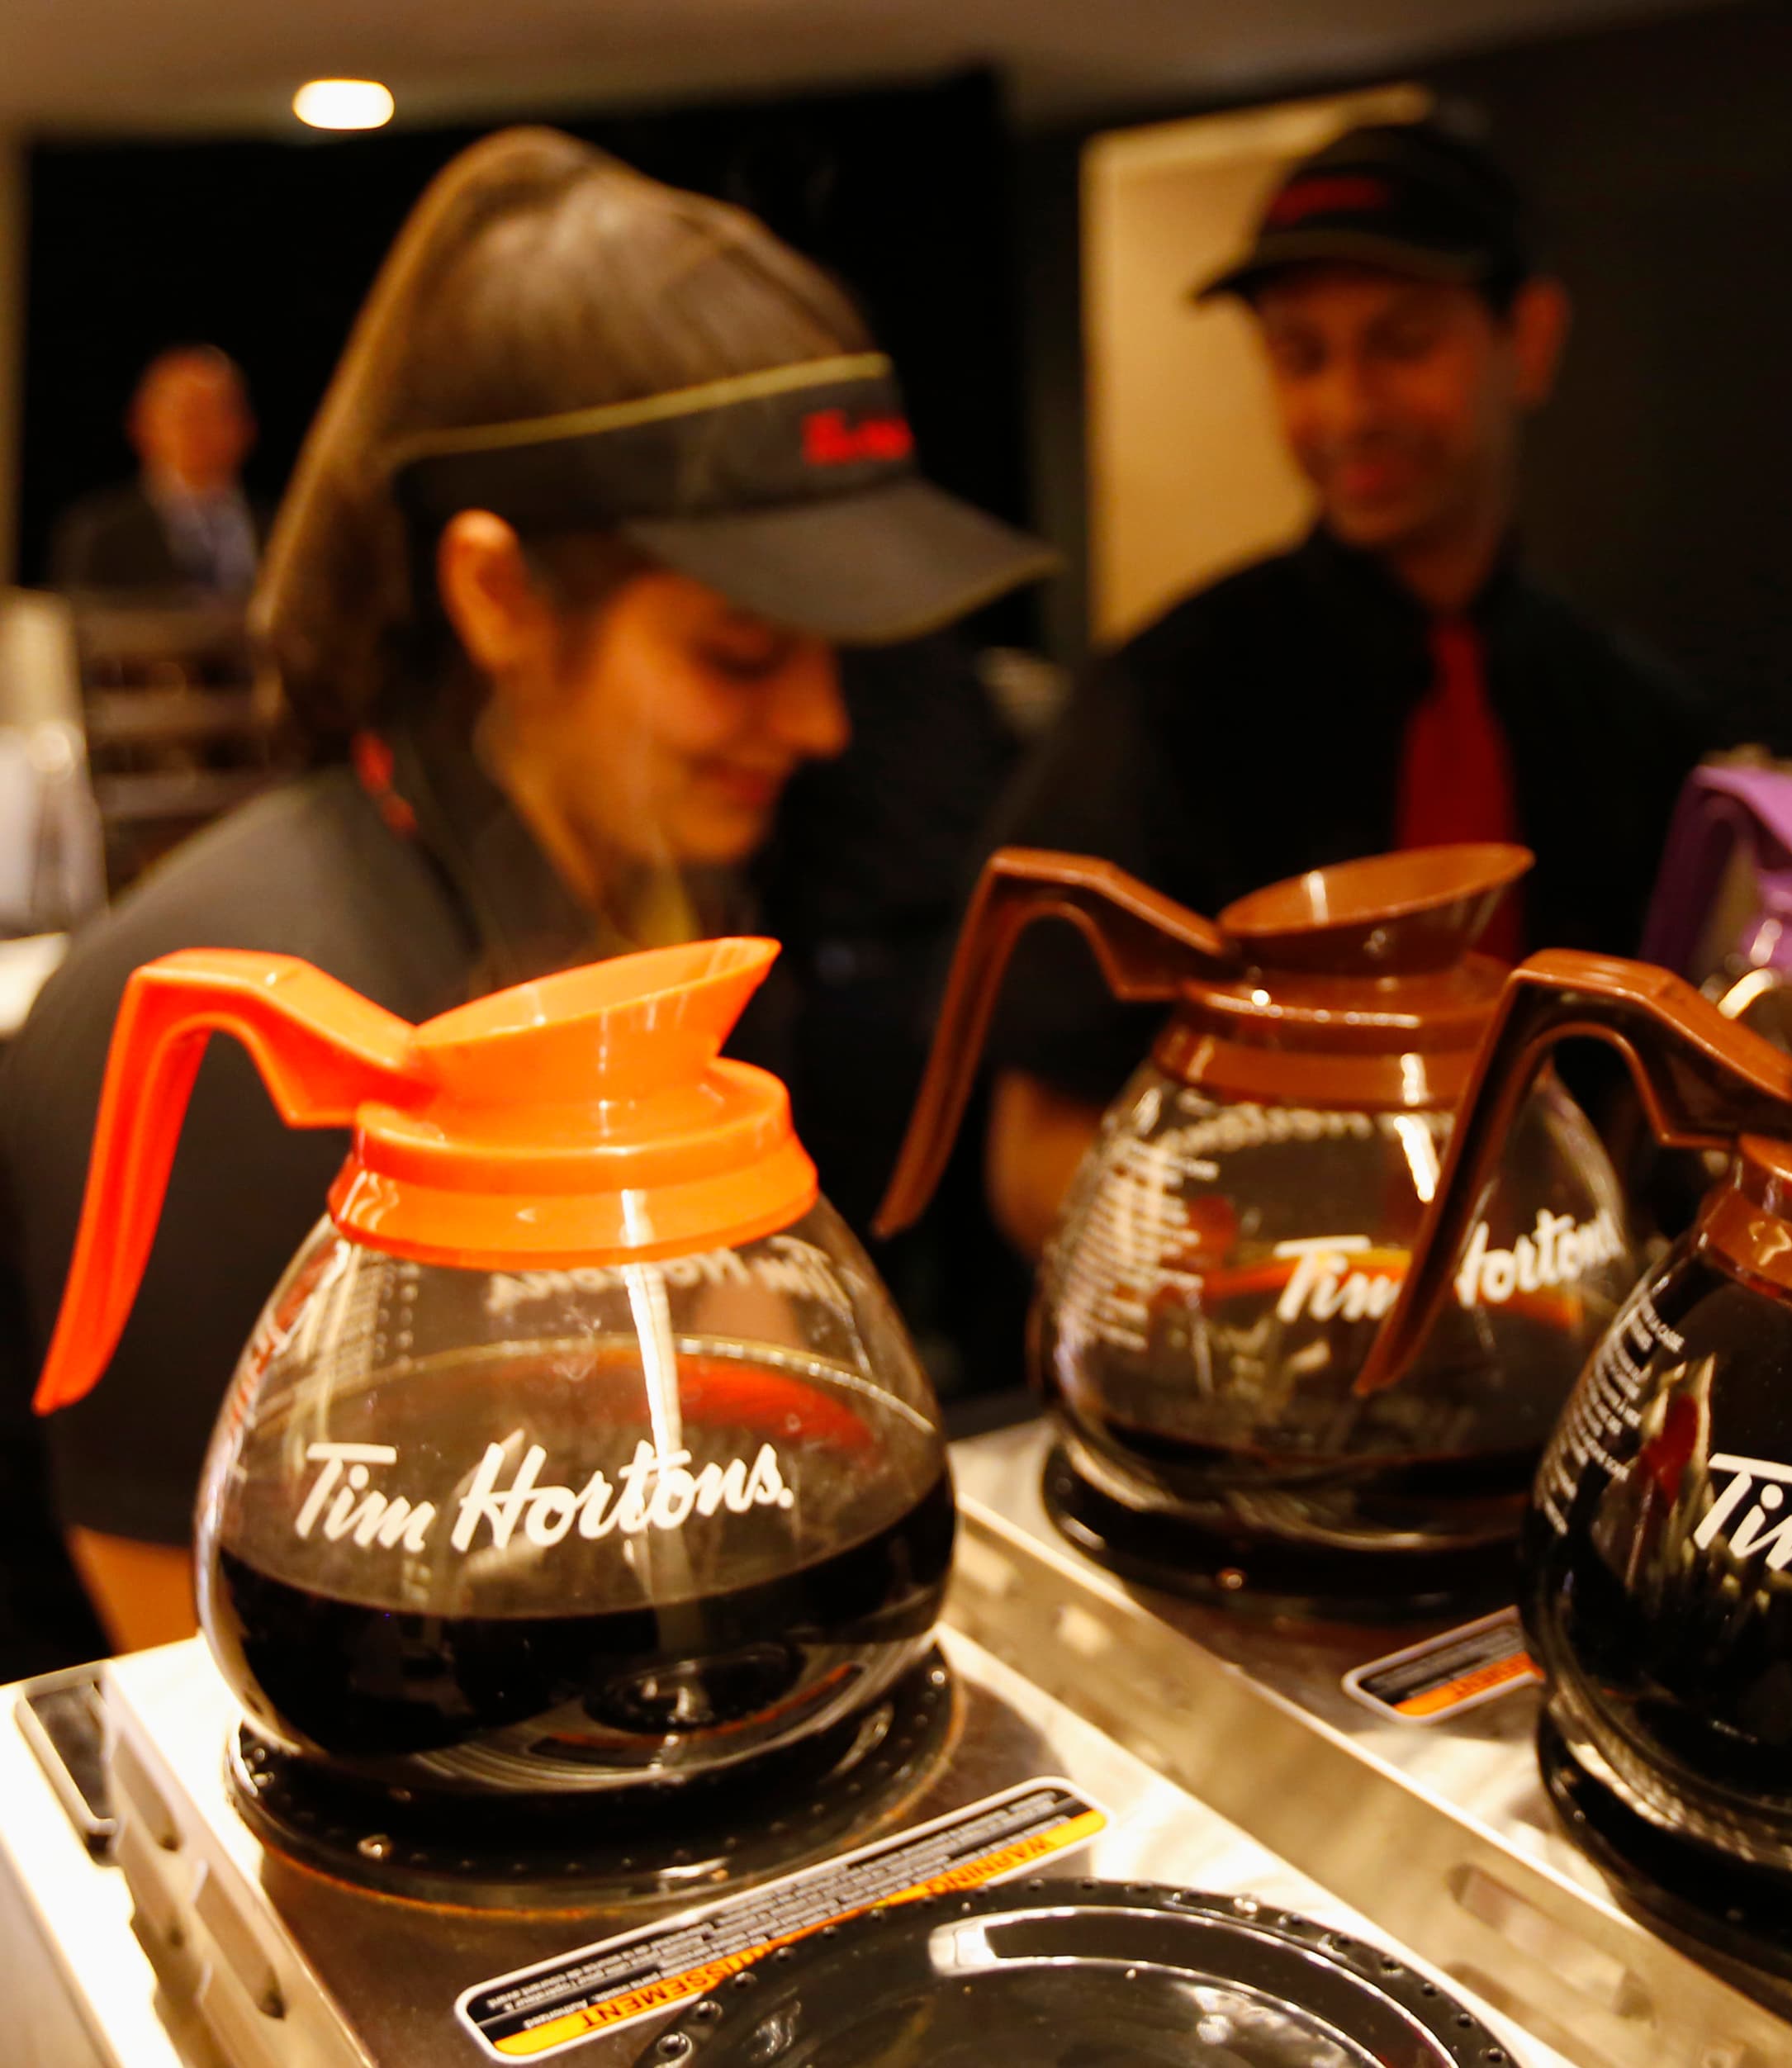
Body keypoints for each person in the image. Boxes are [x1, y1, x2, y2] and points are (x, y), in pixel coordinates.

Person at [0, 127, 1050, 1653]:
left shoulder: (649, 908)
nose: (823, 725)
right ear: (495, 592)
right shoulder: (249, 1027)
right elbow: (209, 1686)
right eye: (741, 652)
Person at [975, 117, 1709, 1256]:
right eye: (1300, 356)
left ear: (1530, 339)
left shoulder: (1644, 721)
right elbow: (1035, 1141)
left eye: (1401, 343)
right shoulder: (1165, 697)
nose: (1346, 410)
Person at [51, 345, 264, 599]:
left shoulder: (282, 530)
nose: (200, 430)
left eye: (217, 413)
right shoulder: (99, 536)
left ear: (247, 427)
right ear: (141, 425)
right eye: (185, 415)